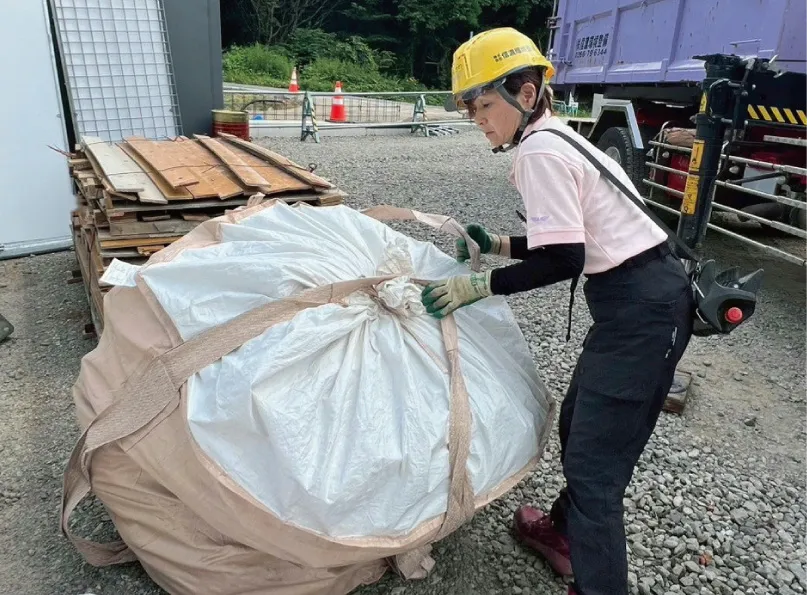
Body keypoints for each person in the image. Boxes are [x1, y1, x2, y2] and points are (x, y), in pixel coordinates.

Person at [420, 28, 695, 595]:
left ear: (524, 94)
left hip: (641, 311)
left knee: (595, 468)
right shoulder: (557, 138)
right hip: (643, 298)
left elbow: (564, 259)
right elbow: (570, 235)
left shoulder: (539, 152)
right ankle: (562, 534)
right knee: (580, 426)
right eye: (469, 107)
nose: (476, 118)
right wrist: (496, 242)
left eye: (482, 104)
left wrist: (481, 286)